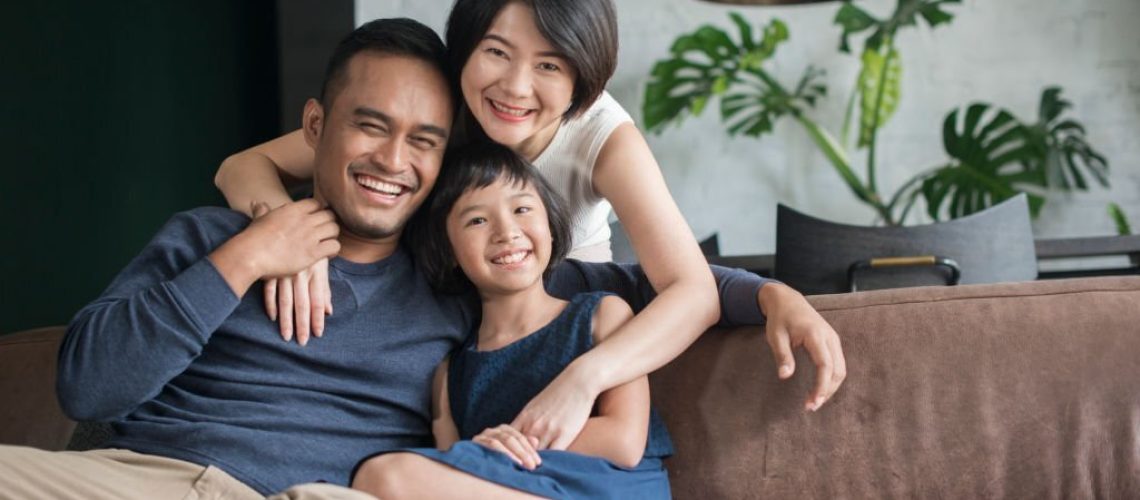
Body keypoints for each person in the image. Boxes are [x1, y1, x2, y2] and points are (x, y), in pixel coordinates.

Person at [0, 18, 824, 499]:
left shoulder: (456, 273)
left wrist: (774, 295)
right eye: (371, 126)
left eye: (424, 142)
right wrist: (252, 252)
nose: (395, 159)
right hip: (140, 479)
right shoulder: (206, 237)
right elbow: (86, 385)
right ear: (316, 126)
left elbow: (650, 282)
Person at [216, 0, 846, 432]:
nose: (515, 88)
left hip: (553, 335)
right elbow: (241, 169)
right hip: (450, 334)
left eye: (548, 65)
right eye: (496, 52)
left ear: (584, 79)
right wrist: (287, 235)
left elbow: (688, 290)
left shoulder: (604, 138)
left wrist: (583, 377)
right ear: (464, 50)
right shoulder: (435, 110)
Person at [354, 143, 673, 498]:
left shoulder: (601, 315)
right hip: (511, 489)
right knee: (385, 477)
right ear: (449, 251)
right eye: (477, 220)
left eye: (522, 209)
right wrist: (481, 453)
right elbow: (452, 471)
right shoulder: (451, 371)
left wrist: (502, 448)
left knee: (385, 476)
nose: (506, 231)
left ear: (550, 226)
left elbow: (624, 441)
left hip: (605, 490)